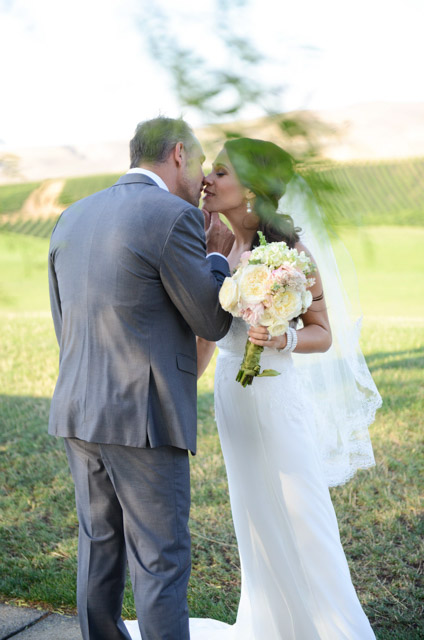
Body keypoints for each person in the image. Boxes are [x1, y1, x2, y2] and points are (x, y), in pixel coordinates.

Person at [48, 117, 234, 640]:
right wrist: (216, 254)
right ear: (178, 153)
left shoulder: (72, 215)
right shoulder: (174, 216)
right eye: (198, 163)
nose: (201, 178)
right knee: (161, 560)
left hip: (78, 408)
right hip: (144, 418)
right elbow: (212, 320)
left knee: (98, 547)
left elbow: (64, 320)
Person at [188, 138, 381, 639]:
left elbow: (323, 333)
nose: (207, 177)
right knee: (252, 517)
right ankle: (272, 626)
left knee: (302, 515)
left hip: (275, 397)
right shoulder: (218, 244)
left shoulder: (288, 254)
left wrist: (283, 335)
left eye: (221, 172)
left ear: (250, 189)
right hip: (232, 394)